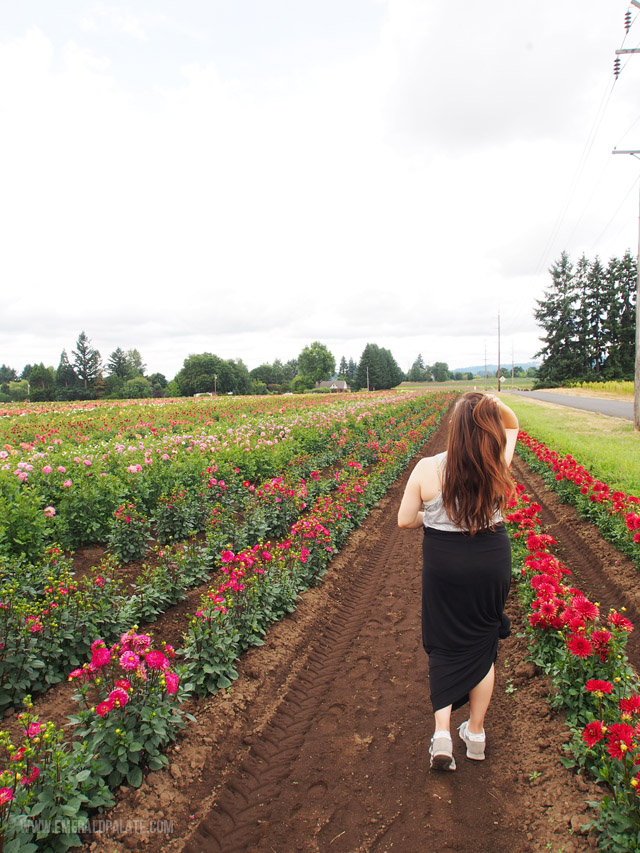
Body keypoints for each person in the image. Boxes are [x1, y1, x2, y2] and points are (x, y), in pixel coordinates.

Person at [397, 392, 519, 771]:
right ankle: (477, 734)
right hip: (490, 559)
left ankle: (442, 736)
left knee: (446, 643)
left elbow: (404, 520)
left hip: (445, 563)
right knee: (482, 642)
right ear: (487, 428)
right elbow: (513, 425)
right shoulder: (495, 462)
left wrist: (431, 518)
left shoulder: (427, 468)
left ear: (453, 429)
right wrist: (494, 404)